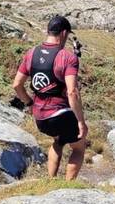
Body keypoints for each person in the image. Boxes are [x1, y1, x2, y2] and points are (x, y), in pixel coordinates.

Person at [13, 15, 88, 180]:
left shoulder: (31, 53)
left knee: (59, 141)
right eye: (67, 35)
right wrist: (81, 122)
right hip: (59, 114)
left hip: (40, 117)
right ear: (63, 33)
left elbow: (17, 85)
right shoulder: (67, 57)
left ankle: (51, 180)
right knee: (79, 147)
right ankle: (68, 186)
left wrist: (30, 104)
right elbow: (72, 92)